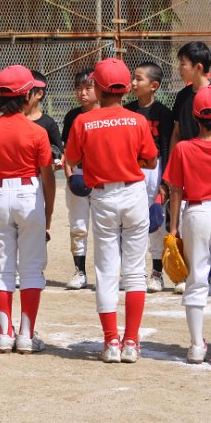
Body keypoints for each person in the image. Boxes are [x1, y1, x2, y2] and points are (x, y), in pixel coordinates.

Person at [64, 57, 158, 364]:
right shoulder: (137, 120)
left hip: (103, 196)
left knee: (106, 272)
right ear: (126, 88)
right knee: (135, 272)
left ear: (98, 88)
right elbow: (151, 160)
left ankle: (110, 343)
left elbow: (72, 159)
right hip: (133, 193)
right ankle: (131, 342)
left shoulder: (83, 121)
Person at [0, 66, 55, 354]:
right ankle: (25, 336)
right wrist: (47, 214)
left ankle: (4, 335)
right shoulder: (37, 130)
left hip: (1, 192)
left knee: (2, 268)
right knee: (31, 269)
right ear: (27, 95)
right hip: (29, 193)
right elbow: (48, 177)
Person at [164, 85, 211, 364]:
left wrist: (173, 228)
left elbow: (175, 190)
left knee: (196, 278)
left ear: (195, 118)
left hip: (196, 213)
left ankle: (196, 346)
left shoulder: (183, 148)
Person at [124, 62, 173, 293]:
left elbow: (165, 147)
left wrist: (164, 181)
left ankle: (156, 274)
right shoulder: (128, 110)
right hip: (130, 168)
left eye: (139, 79)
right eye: (133, 78)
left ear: (154, 86)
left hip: (154, 170)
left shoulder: (163, 113)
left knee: (155, 223)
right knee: (131, 221)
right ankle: (135, 272)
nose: (133, 83)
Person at [168, 43, 211, 295]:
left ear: (198, 67)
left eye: (183, 63)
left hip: (203, 171)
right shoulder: (183, 96)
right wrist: (173, 164)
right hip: (185, 164)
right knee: (187, 225)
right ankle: (188, 274)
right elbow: (176, 132)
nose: (179, 68)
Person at [61, 68, 98, 291]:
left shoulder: (106, 114)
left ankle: (106, 272)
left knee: (106, 227)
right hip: (78, 175)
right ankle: (80, 271)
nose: (82, 93)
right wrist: (69, 176)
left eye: (88, 88)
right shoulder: (72, 116)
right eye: (78, 88)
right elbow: (67, 150)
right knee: (78, 226)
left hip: (101, 178)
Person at [25, 70, 64, 166]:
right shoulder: (15, 120)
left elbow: (60, 153)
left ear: (39, 94)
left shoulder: (48, 123)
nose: (23, 96)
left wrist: (57, 162)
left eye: (27, 92)